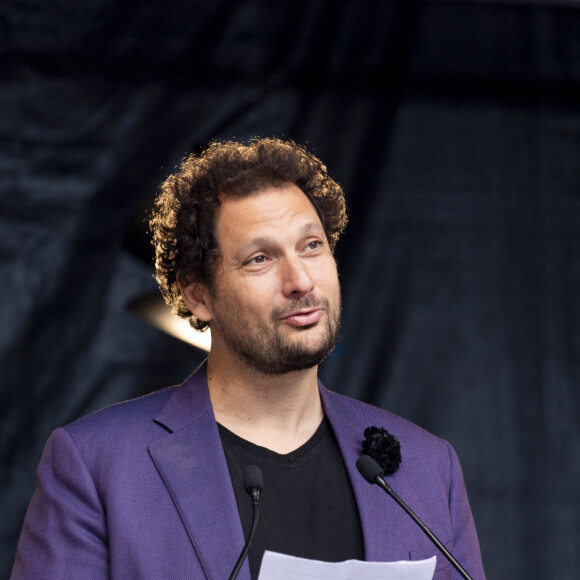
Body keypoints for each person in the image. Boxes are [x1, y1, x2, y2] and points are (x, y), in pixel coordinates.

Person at [11, 138, 486, 579]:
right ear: (196, 295)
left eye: (312, 246)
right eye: (260, 258)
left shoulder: (428, 466)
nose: (300, 280)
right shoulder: (96, 466)